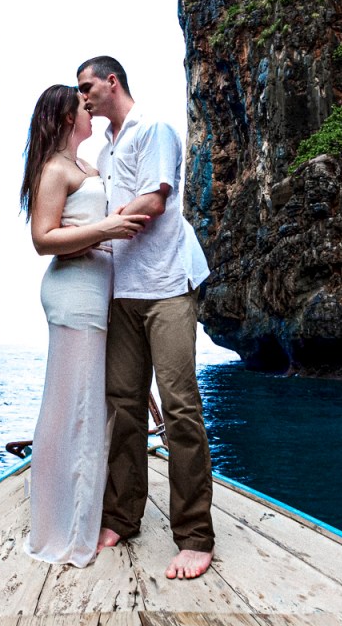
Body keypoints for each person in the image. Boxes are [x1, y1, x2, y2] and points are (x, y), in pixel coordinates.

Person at [76, 55, 215, 580]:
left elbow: (154, 202)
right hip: (122, 294)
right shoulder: (106, 150)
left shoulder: (152, 129)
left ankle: (196, 536)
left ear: (113, 82)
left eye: (87, 86)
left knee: (179, 408)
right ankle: (122, 517)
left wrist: (100, 226)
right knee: (124, 409)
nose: (82, 96)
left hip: (166, 288)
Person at [20, 83, 150, 567]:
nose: (89, 111)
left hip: (98, 294)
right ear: (63, 118)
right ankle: (61, 526)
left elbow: (80, 230)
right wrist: (107, 230)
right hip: (73, 296)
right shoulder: (54, 169)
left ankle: (83, 513)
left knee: (91, 407)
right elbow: (42, 238)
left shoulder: (88, 168)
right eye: (81, 108)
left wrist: (102, 229)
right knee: (70, 409)